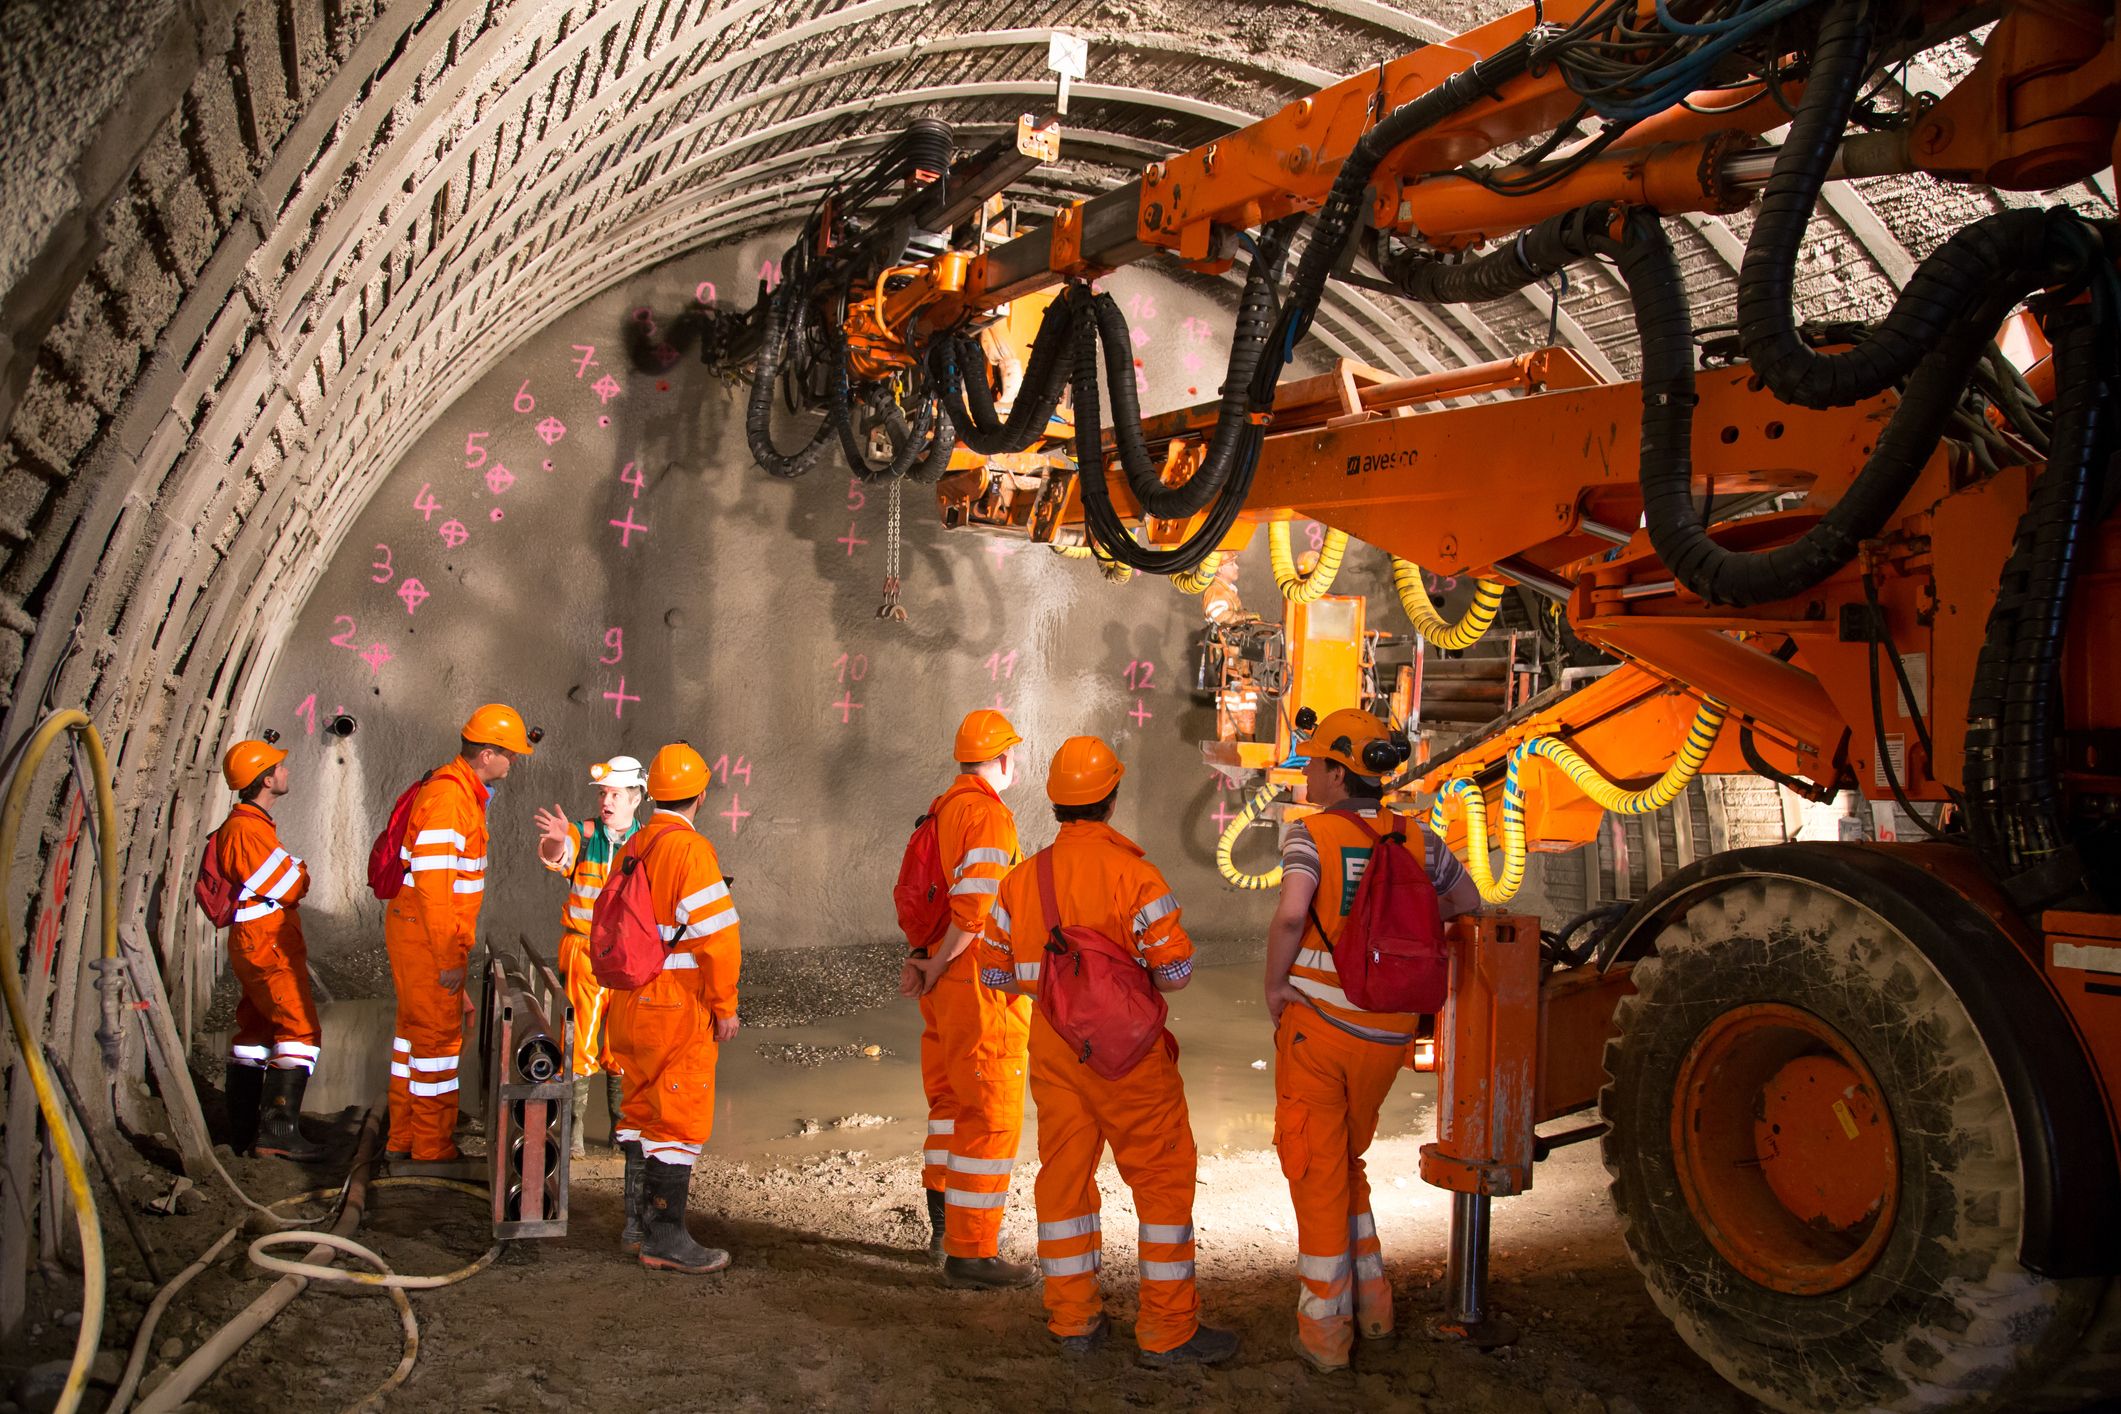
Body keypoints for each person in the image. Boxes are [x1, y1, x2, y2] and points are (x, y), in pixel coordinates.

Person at [978, 736, 1239, 1367]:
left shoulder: (1022, 880)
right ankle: (1169, 1330)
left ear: (1057, 803)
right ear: (1112, 799)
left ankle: (1073, 1323)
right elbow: (1175, 974)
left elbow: (992, 973)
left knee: (1064, 1183)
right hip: (1130, 1059)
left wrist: (1053, 989)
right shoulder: (1136, 876)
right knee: (1162, 1184)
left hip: (1056, 1052)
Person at [1263, 707, 1481, 1371]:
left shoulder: (1313, 837)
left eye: (1315, 765)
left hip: (1319, 1030)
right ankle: (1375, 1307)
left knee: (1314, 1169)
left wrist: (1275, 989)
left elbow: (1290, 916)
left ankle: (1326, 1335)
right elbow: (1467, 904)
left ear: (1336, 770)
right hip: (1387, 1033)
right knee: (1346, 1163)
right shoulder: (1419, 840)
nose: (1309, 776)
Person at [900, 709, 1033, 1286]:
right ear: (1003, 759)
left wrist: (927, 963)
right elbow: (975, 913)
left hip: (945, 982)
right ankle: (972, 1252)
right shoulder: (988, 816)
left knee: (951, 1103)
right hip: (977, 981)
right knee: (991, 1108)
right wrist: (938, 964)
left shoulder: (944, 807)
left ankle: (941, 1230)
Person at [607, 743, 741, 1275]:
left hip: (628, 1001)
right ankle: (665, 1239)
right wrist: (724, 1004)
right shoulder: (690, 850)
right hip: (674, 1006)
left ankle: (636, 1226)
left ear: (653, 793)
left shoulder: (633, 844)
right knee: (678, 1121)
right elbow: (719, 938)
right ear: (701, 794)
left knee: (640, 1112)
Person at [383, 703, 536, 1162]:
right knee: (435, 1043)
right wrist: (450, 960)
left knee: (413, 1037)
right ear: (487, 754)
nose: (514, 762)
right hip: (427, 937)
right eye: (510, 754)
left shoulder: (459, 793)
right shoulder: (450, 800)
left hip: (421, 933)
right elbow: (434, 889)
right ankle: (430, 1146)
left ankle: (404, 1137)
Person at [212, 737, 325, 1162]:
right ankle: (277, 1135)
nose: (286, 771)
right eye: (280, 766)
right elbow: (292, 885)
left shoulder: (250, 827)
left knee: (256, 1033)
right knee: (299, 1031)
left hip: (259, 940)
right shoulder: (247, 831)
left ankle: (243, 1129)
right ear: (265, 779)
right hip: (267, 942)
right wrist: (300, 869)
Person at [534, 755, 647, 1157]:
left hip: (629, 955)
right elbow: (556, 854)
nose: (607, 801)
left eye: (616, 793)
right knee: (579, 1039)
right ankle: (576, 1129)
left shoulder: (646, 842)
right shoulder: (583, 834)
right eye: (604, 793)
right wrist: (556, 838)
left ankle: (621, 1128)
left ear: (637, 799)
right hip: (583, 949)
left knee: (622, 1044)